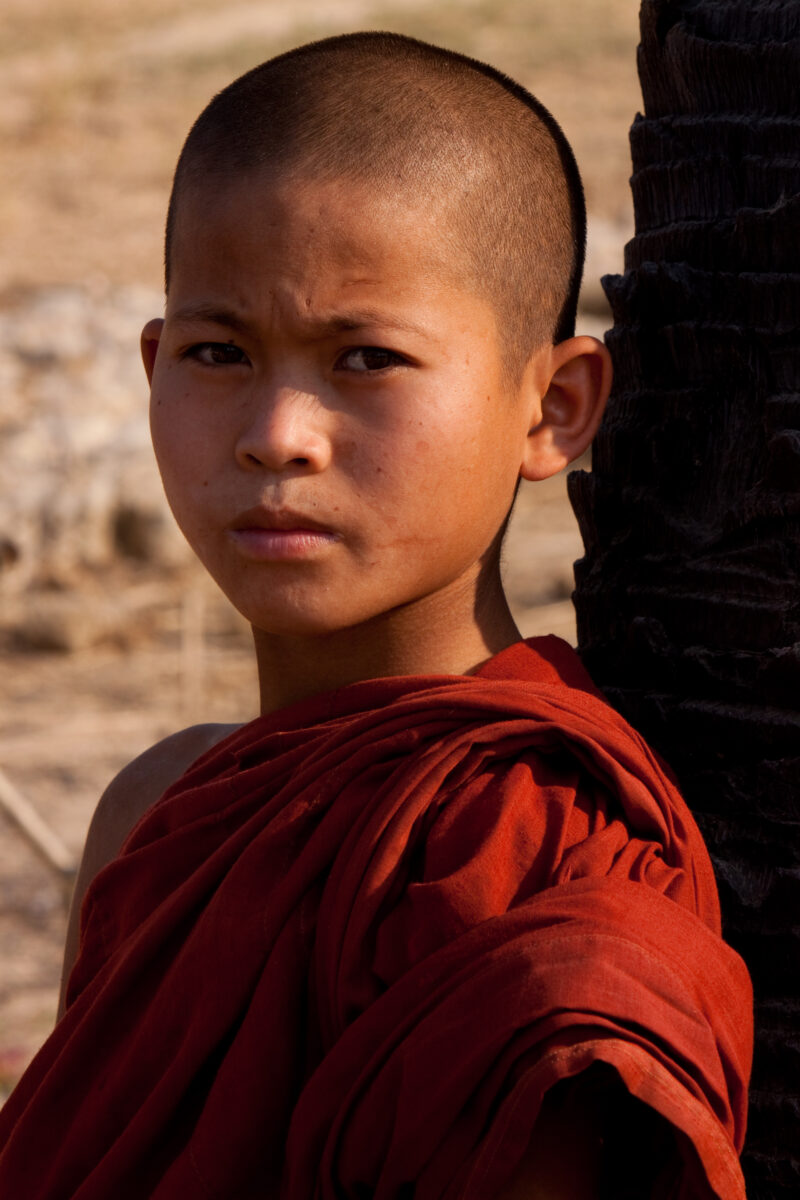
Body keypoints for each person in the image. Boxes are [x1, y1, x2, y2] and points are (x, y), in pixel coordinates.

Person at [0, 31, 751, 1199]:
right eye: (216, 351)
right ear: (150, 370)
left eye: (364, 358)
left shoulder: (532, 852)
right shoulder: (150, 816)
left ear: (551, 409)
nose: (275, 436)